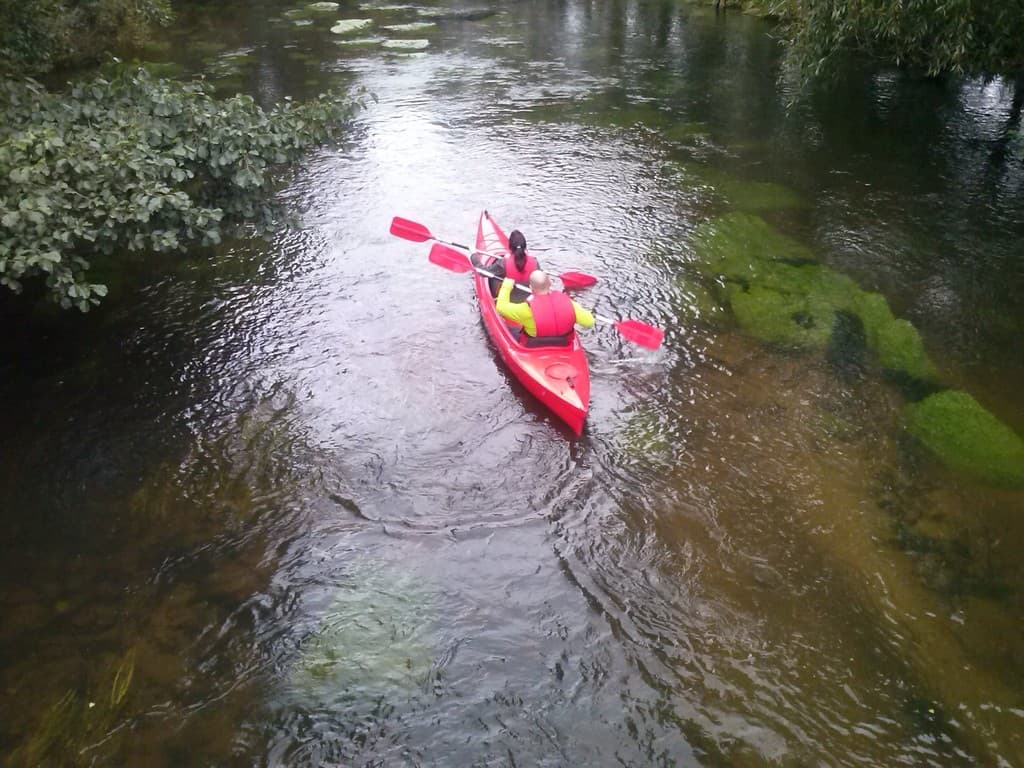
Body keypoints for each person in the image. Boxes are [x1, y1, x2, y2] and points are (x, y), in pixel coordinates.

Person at [496, 270, 594, 347]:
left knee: (506, 326)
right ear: (550, 283)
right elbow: (589, 322)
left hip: (534, 344)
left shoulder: (526, 309)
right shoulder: (569, 303)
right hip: (564, 342)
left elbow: (500, 307)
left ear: (530, 287)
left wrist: (506, 286)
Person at [472, 229, 538, 301]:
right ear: (525, 246)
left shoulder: (503, 263)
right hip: (529, 302)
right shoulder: (535, 262)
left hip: (508, 304)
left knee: (496, 278)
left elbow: (482, 271)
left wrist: (473, 255)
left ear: (510, 247)